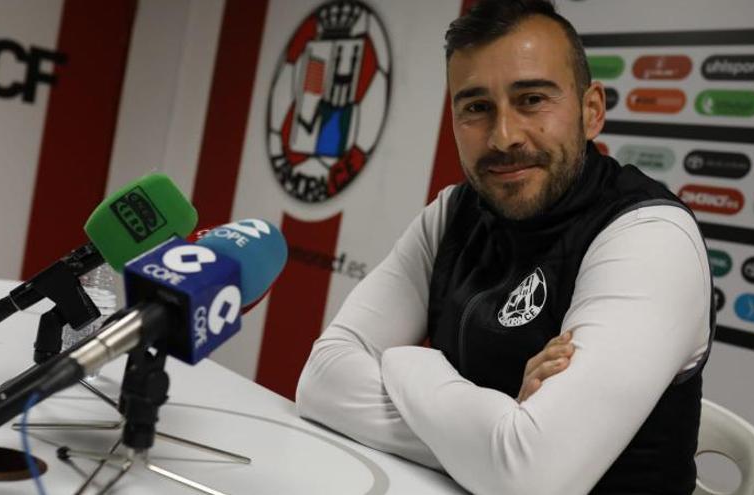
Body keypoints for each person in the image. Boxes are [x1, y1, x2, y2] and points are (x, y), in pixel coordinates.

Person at [296, 1, 713, 493]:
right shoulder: (452, 214)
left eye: (532, 99)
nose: (504, 135)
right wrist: (493, 436)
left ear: (591, 110)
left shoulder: (648, 236)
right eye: (476, 107)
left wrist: (408, 361)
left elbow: (529, 479)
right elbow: (322, 380)